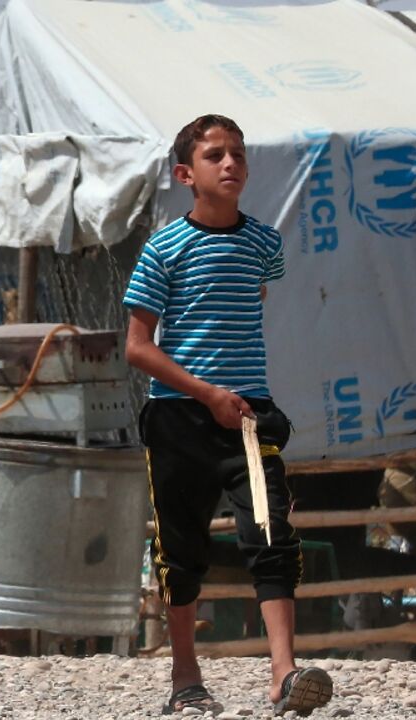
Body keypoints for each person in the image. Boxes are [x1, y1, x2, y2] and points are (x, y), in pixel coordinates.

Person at [123, 114, 333, 716]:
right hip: (179, 419)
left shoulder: (265, 244)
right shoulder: (164, 247)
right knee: (181, 550)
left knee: (270, 534)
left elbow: (252, 294)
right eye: (215, 155)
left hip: (249, 420)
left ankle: (285, 675)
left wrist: (233, 394)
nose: (231, 163)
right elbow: (137, 346)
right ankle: (185, 676)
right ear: (186, 174)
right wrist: (207, 391)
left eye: (237, 153)